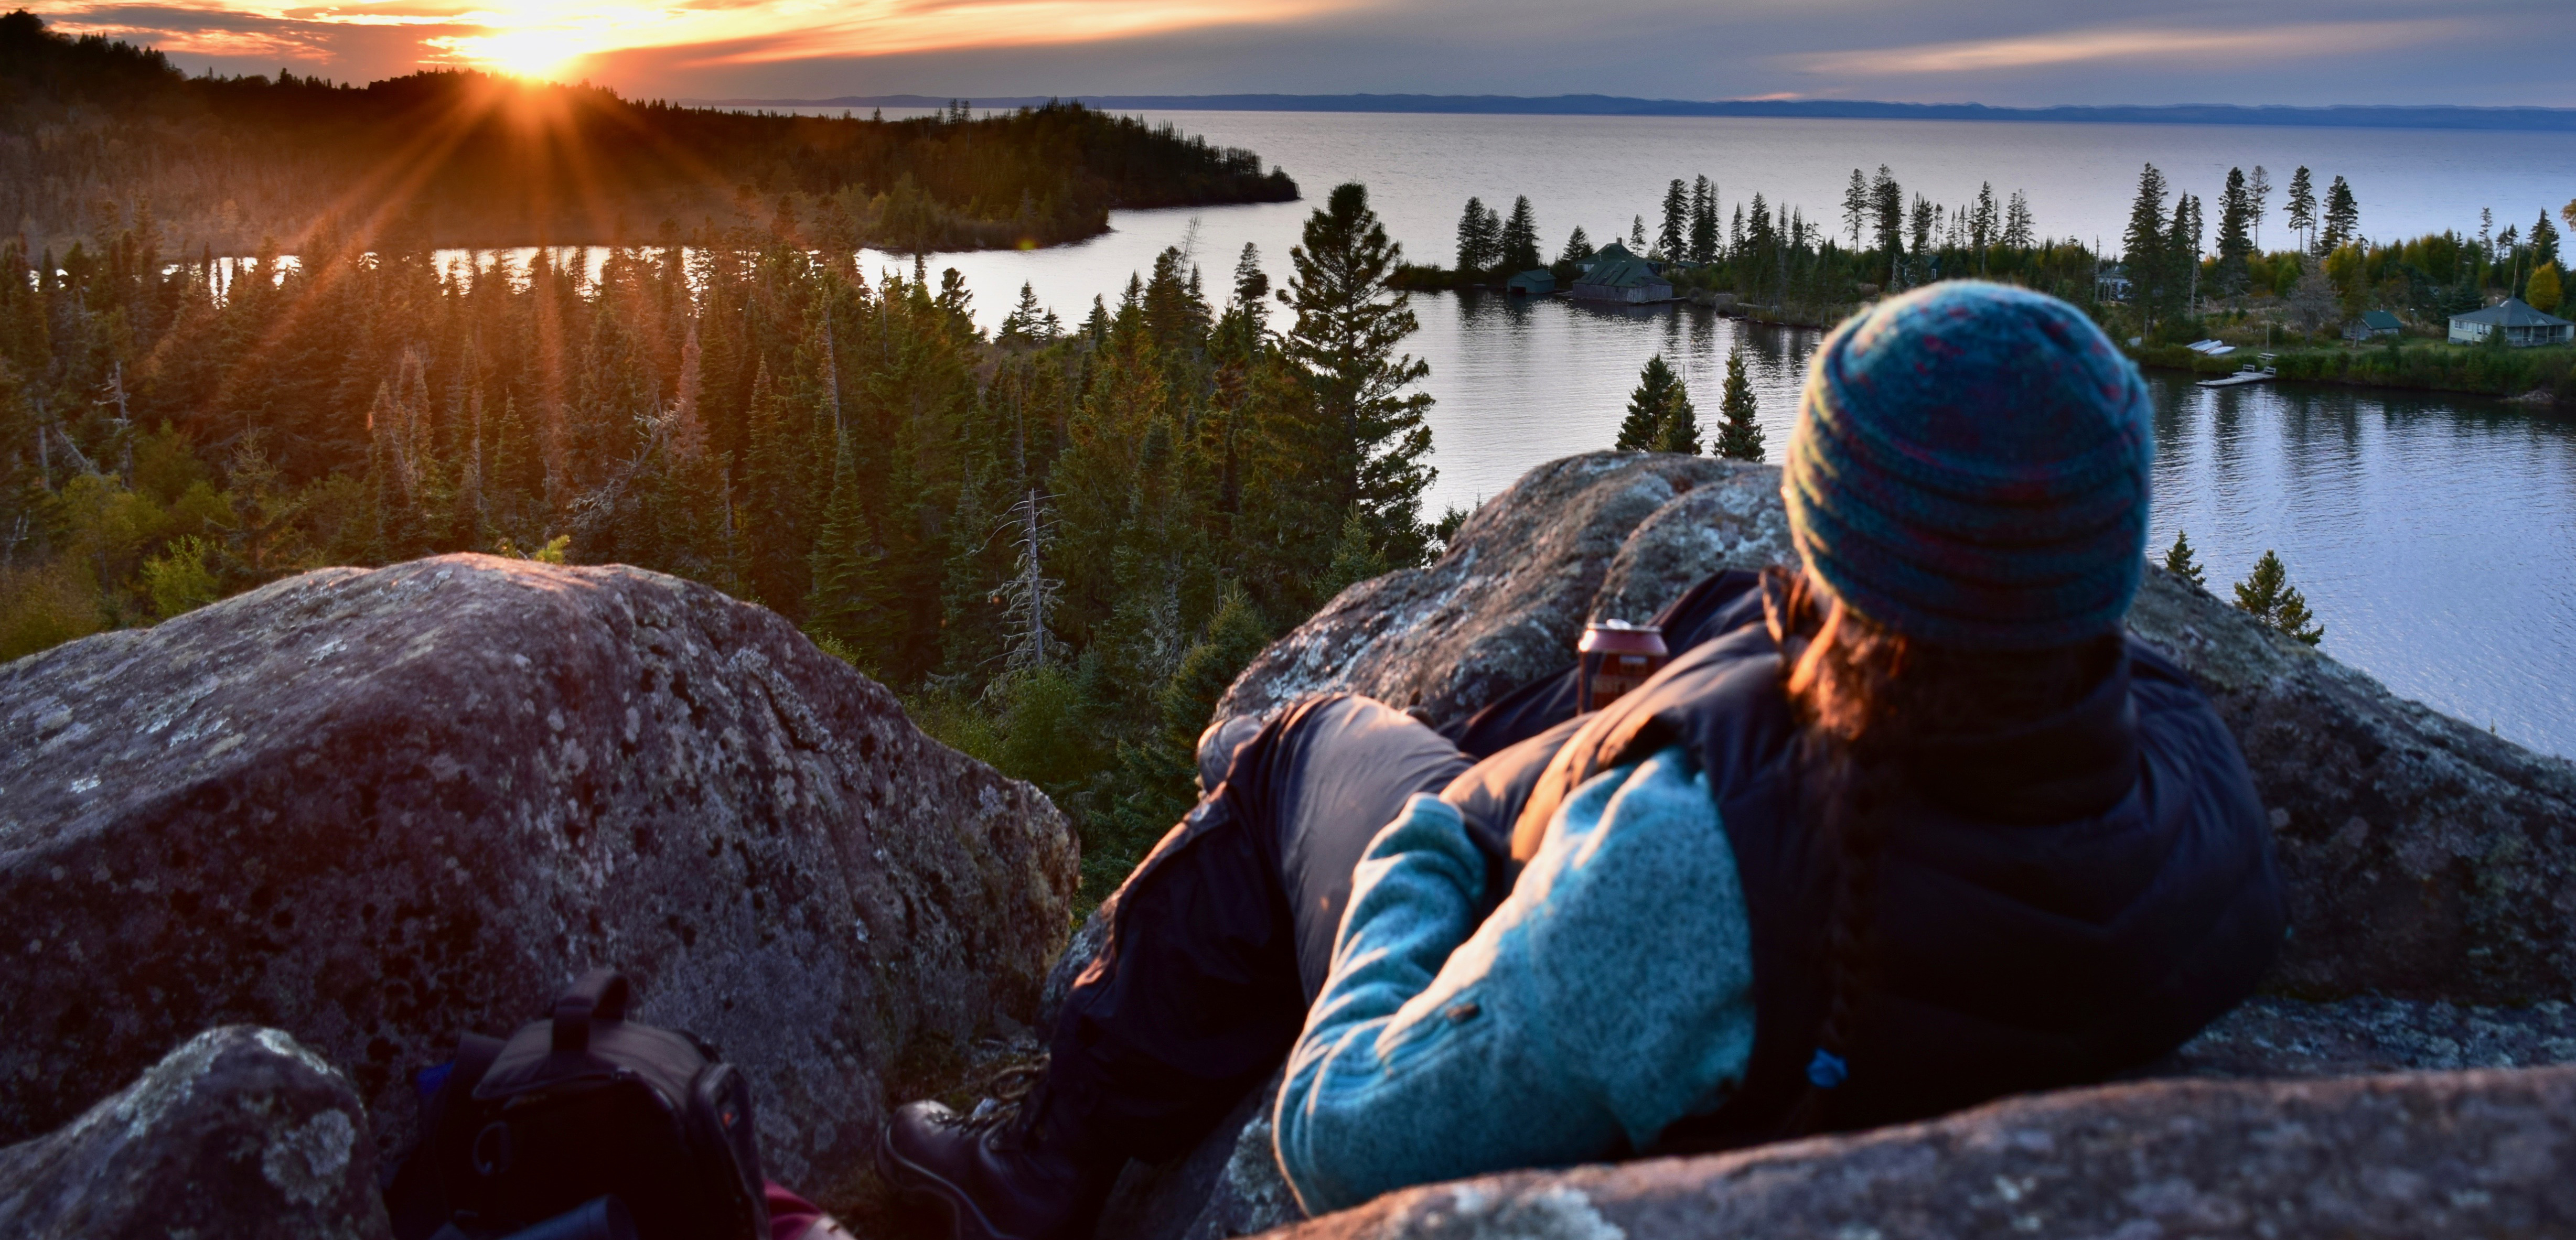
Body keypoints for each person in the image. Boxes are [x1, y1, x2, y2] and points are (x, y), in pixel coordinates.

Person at [882, 281, 2284, 1239]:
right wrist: (1652, 718)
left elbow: (1335, 1136)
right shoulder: (2190, 786)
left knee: (1299, 751)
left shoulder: (1698, 871)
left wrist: (1428, 840)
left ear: (1837, 530)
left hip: (1603, 980)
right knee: (1365, 750)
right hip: (1717, 970)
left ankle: (1037, 1178)